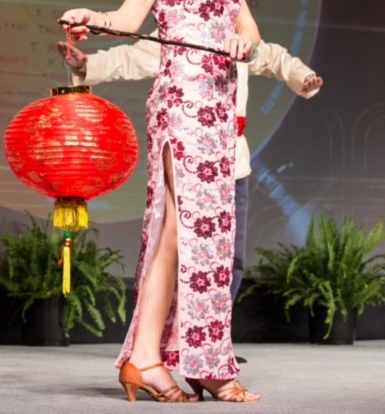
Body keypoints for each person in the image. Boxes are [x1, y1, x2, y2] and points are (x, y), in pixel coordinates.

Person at [61, 0, 260, 403]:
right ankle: (187, 361)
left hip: (218, 112)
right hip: (183, 105)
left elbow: (249, 31)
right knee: (186, 233)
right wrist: (93, 18)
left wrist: (243, 42)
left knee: (193, 236)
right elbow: (129, 18)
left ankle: (156, 358)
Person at [57, 37, 323, 305]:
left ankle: (218, 327)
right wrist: (87, 65)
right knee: (185, 252)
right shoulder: (181, 35)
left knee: (230, 256)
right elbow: (131, 58)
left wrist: (302, 77)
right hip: (189, 162)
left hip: (232, 162)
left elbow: (273, 57)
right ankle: (180, 326)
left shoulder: (235, 39)